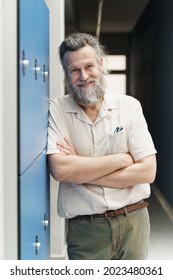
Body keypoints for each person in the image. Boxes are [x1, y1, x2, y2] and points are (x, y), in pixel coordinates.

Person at [47, 33, 157, 260]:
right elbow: (61, 170)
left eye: (89, 66)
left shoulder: (129, 107)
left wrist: (81, 170)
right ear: (66, 74)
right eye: (74, 70)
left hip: (133, 223)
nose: (83, 76)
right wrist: (122, 160)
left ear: (101, 63)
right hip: (86, 230)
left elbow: (148, 171)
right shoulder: (57, 109)